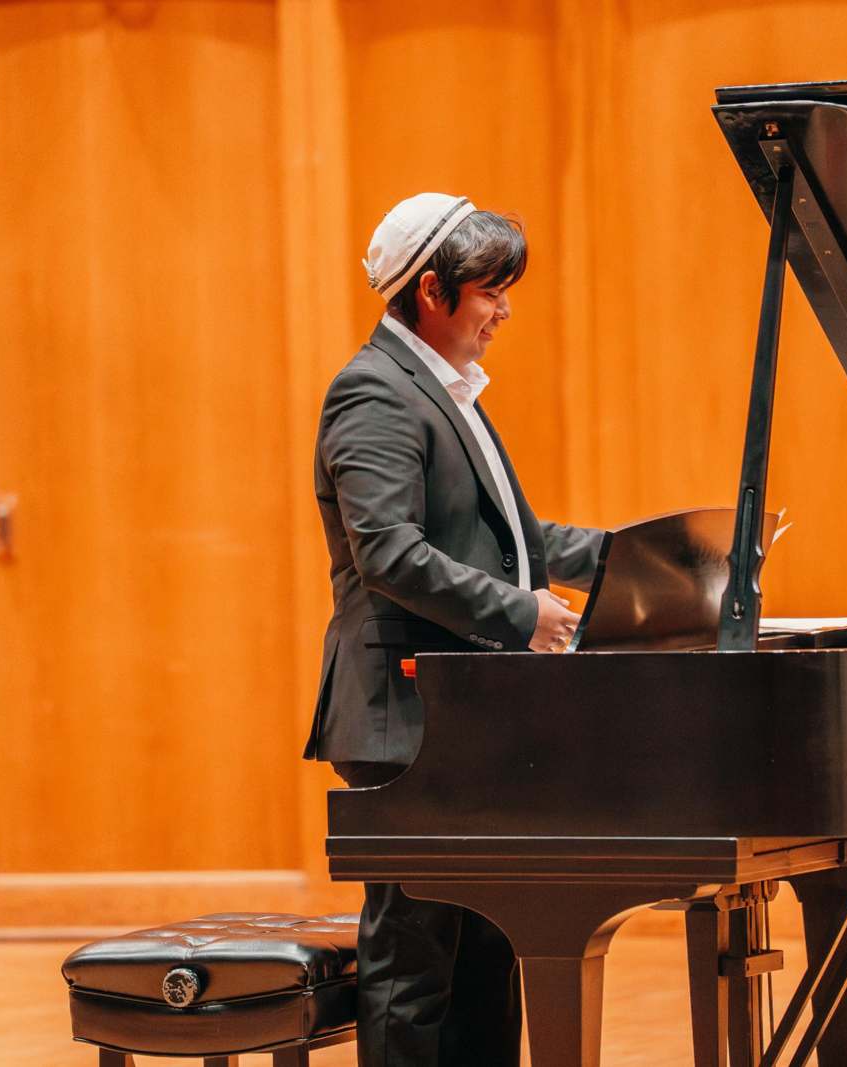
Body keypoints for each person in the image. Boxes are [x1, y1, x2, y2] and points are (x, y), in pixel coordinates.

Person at [303, 192, 606, 1066]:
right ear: (432, 291)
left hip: (464, 718)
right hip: (407, 721)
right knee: (415, 969)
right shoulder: (374, 392)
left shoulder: (443, 389)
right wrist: (522, 614)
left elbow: (518, 541)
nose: (504, 310)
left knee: (483, 962)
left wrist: (654, 557)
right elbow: (389, 554)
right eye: (491, 292)